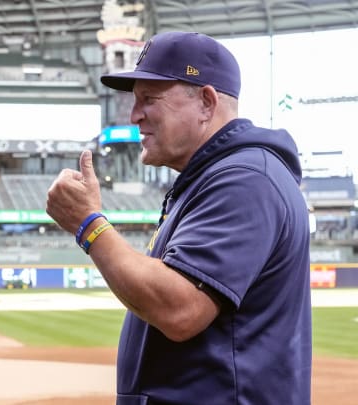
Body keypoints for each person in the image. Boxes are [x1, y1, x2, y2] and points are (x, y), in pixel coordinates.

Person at [46, 31, 311, 404]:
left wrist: (89, 224)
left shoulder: (246, 179)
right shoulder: (213, 177)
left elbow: (181, 309)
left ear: (206, 102)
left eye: (148, 99)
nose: (135, 114)